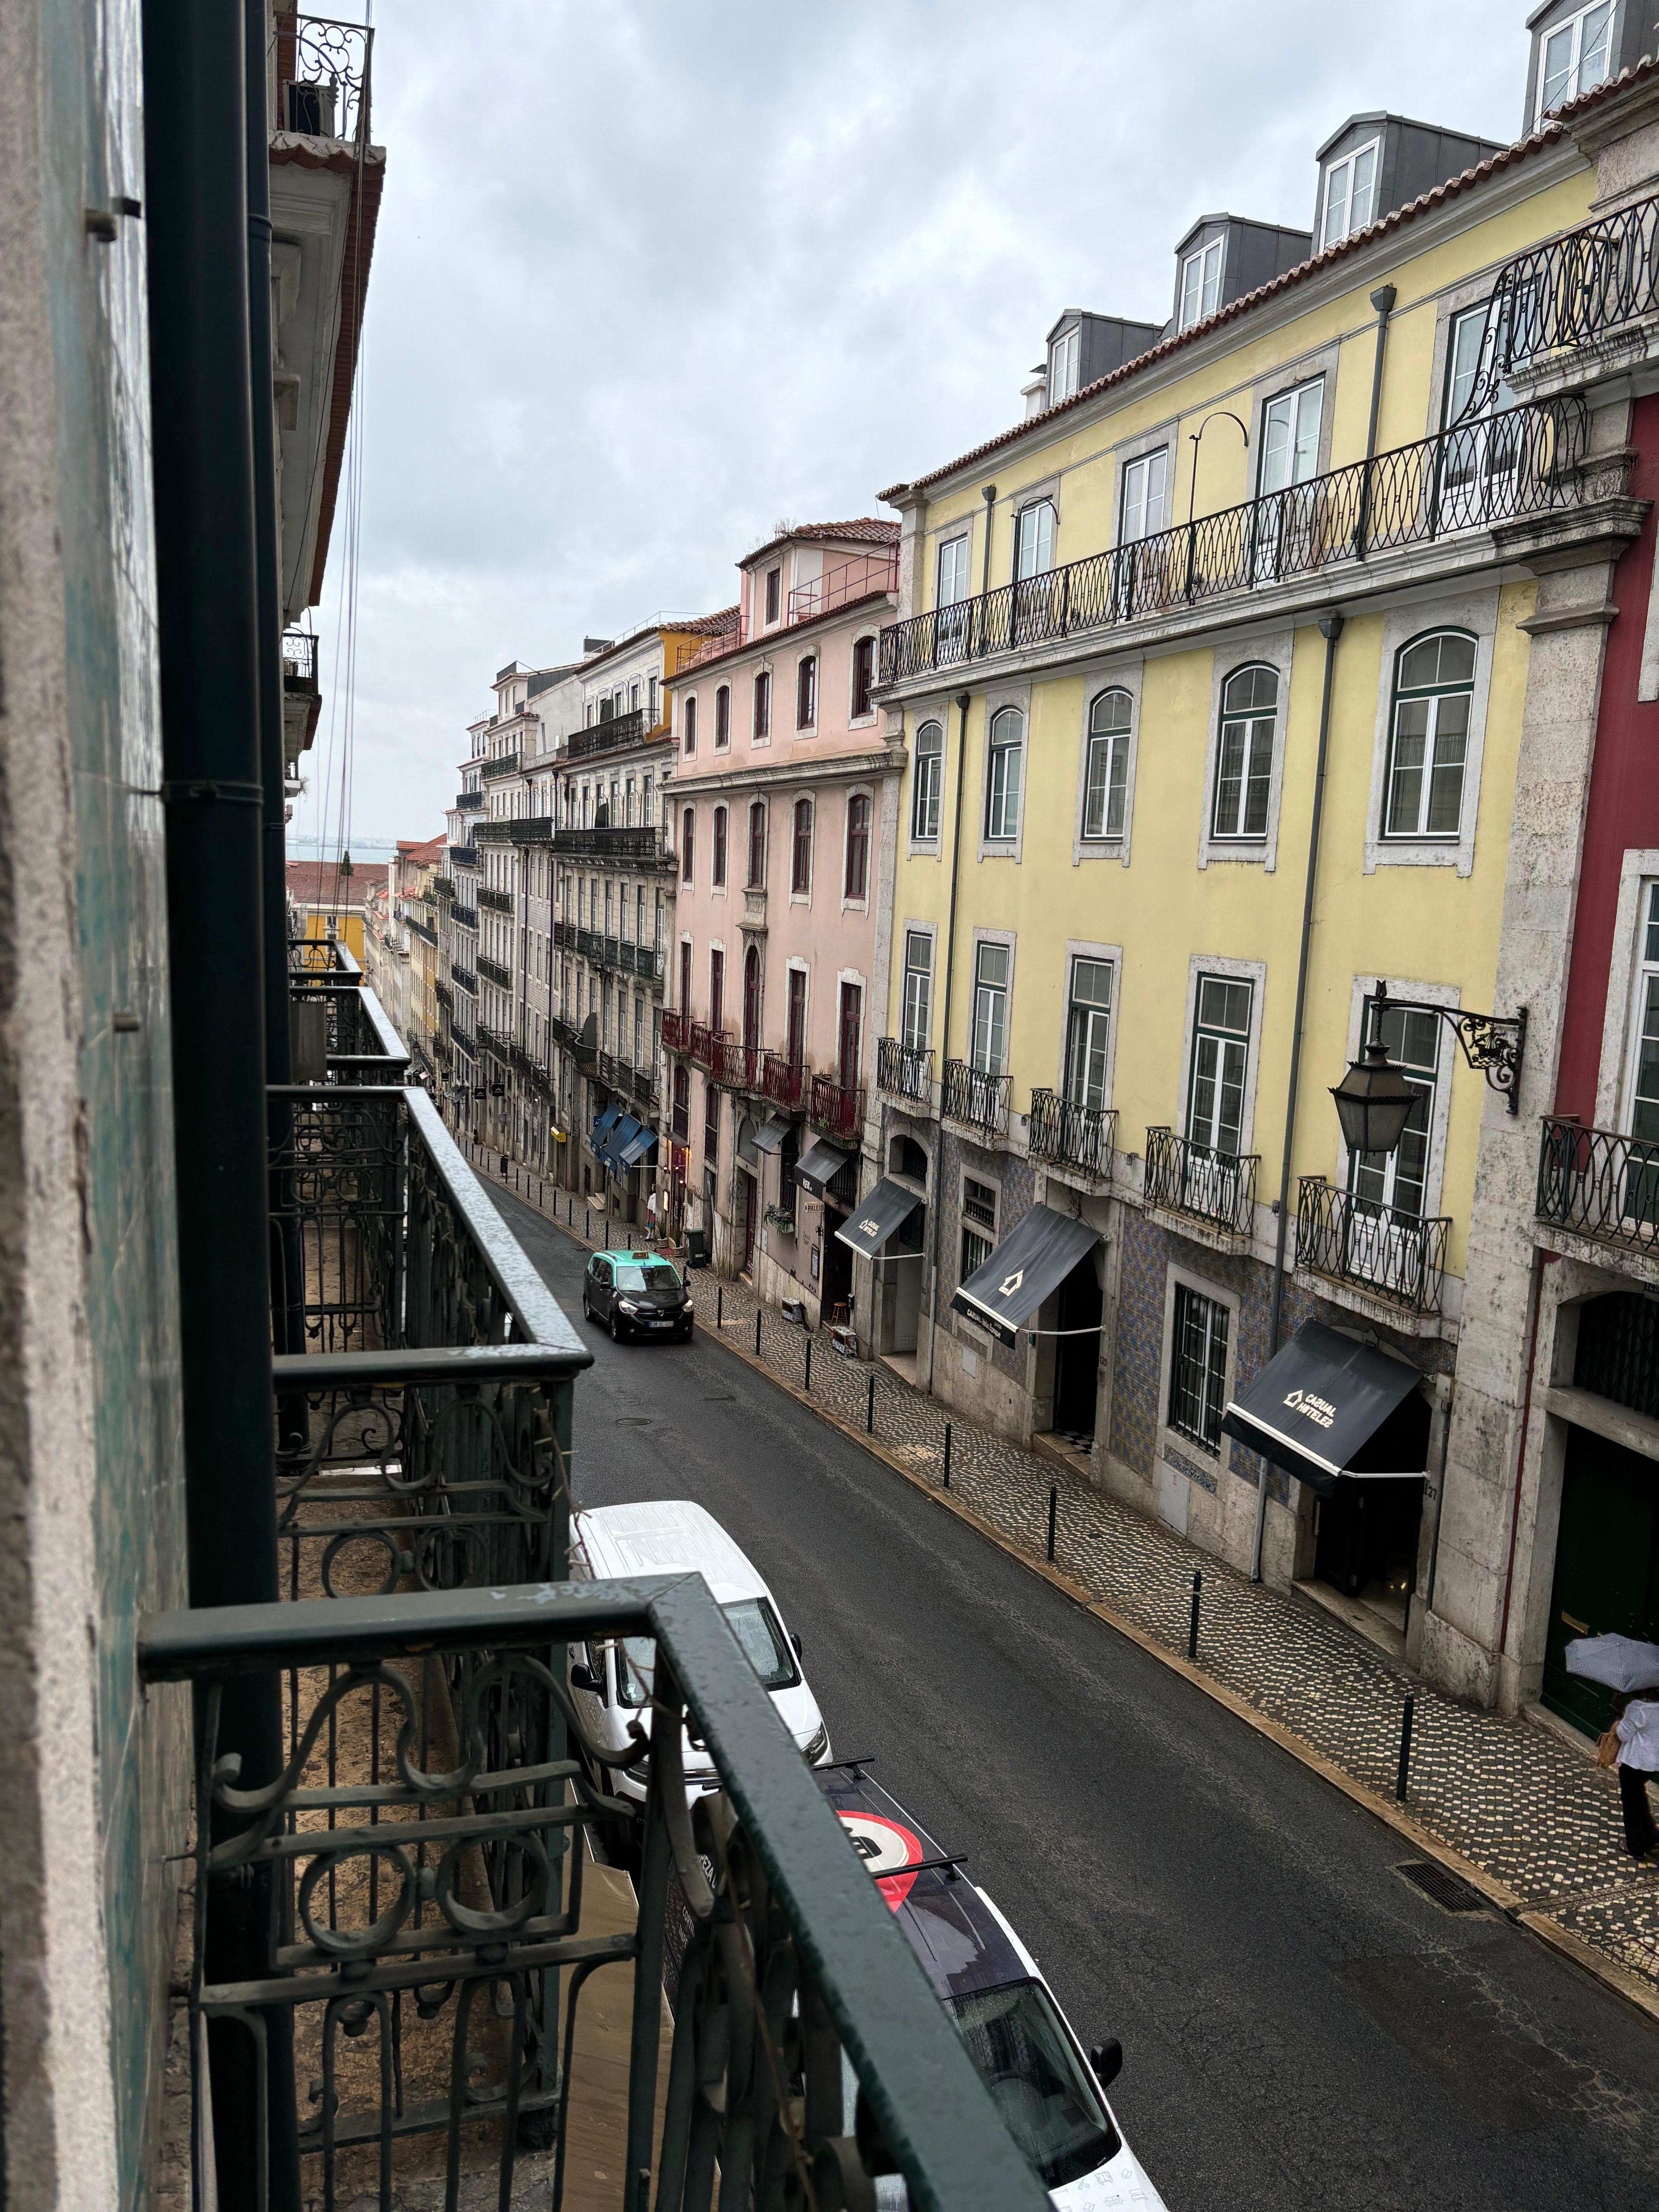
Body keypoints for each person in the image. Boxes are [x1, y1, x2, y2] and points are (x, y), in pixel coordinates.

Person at [1613, 1688, 1659, 1861]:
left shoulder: (1638, 1708)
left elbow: (1623, 1735)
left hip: (1634, 1762)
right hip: (1653, 1763)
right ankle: (1652, 1837)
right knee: (1639, 1796)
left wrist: (1620, 1720)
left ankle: (1635, 1847)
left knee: (1631, 1803)